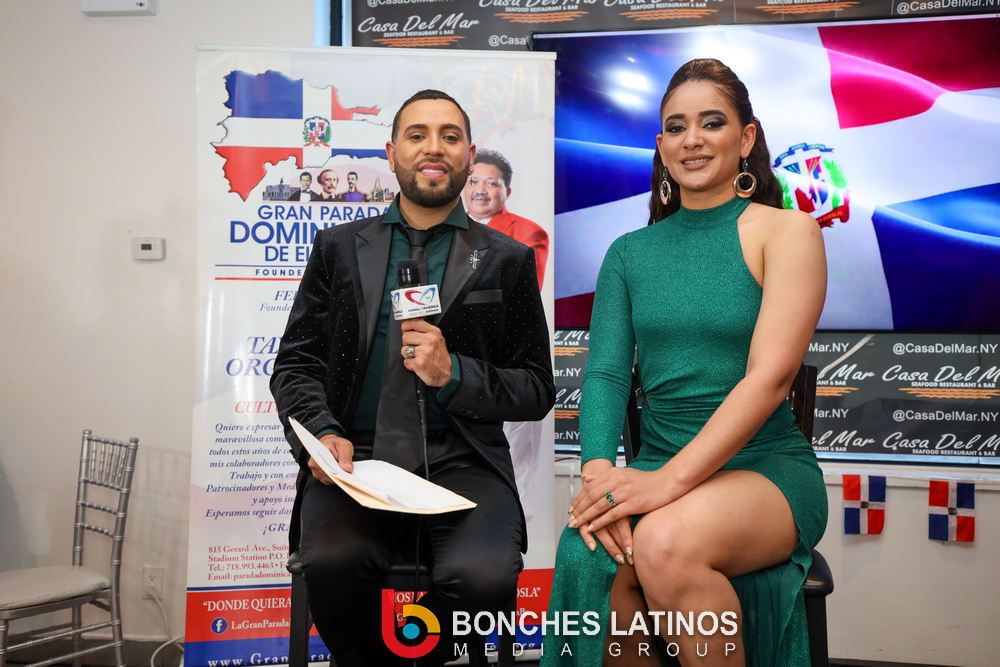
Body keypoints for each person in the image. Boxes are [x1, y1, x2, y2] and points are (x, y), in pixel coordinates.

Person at [543, 59, 828, 667]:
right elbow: (606, 375)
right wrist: (599, 477)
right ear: (661, 145)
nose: (692, 139)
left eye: (711, 123)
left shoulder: (790, 232)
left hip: (764, 471)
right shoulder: (628, 252)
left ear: (746, 138)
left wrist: (664, 484)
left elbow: (770, 379)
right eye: (676, 127)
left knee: (664, 540)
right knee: (586, 553)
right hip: (657, 464)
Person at [270, 89, 554, 667]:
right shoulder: (338, 248)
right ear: (391, 151)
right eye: (417, 134)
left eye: (450, 136)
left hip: (465, 462)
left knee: (485, 578)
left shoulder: (508, 258)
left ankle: (419, 659)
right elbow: (296, 364)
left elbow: (536, 387)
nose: (433, 148)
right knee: (331, 564)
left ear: (468, 154)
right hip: (357, 462)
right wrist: (322, 433)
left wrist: (455, 373)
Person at [463, 149, 549, 289]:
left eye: (491, 183)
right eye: (473, 181)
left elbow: (526, 292)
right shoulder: (448, 227)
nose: (480, 190)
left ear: (507, 192)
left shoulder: (530, 233)